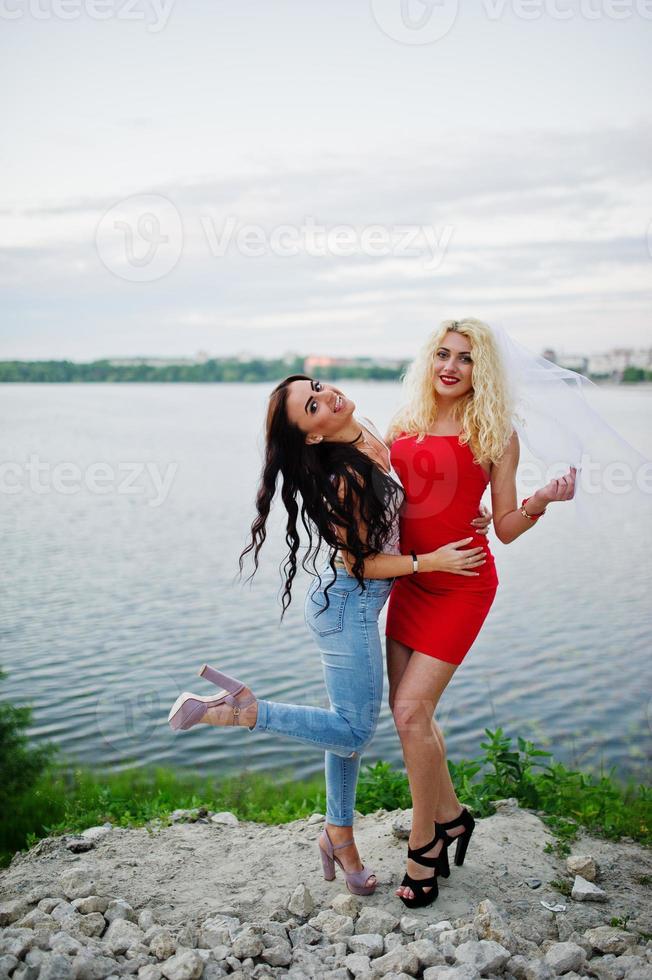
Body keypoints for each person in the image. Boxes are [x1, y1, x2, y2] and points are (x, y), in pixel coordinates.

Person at [167, 374, 491, 896]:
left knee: (343, 729)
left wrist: (469, 512)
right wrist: (430, 561)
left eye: (318, 387)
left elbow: (410, 499)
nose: (328, 396)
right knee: (355, 732)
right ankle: (238, 710)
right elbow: (358, 561)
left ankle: (339, 835)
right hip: (347, 607)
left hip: (347, 606)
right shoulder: (345, 478)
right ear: (313, 436)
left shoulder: (364, 429)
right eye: (313, 405)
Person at [384, 318, 576, 908]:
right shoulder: (403, 425)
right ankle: (453, 817)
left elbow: (507, 525)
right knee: (409, 716)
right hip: (411, 577)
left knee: (413, 710)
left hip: (463, 583)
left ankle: (426, 846)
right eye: (442, 354)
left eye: (465, 358)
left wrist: (540, 501)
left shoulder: (494, 432)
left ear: (480, 370)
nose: (450, 366)